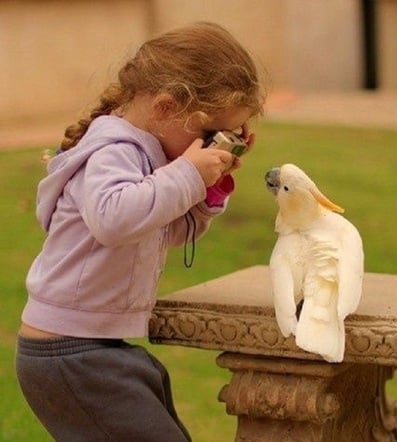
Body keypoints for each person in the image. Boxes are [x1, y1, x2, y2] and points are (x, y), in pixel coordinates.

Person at [16, 22, 265, 441]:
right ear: (166, 108)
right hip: (69, 351)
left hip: (92, 347)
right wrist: (187, 173)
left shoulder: (146, 156)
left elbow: (161, 233)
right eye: (209, 133)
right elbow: (113, 219)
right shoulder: (116, 150)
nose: (212, 145)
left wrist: (207, 188)